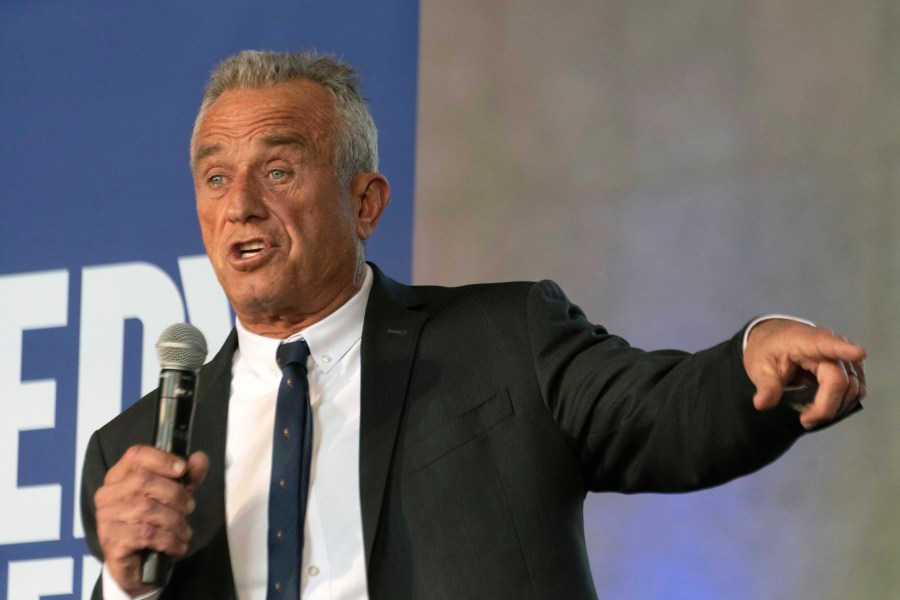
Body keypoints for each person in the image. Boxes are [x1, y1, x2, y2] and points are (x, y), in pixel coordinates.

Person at [80, 50, 867, 600]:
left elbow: (660, 413)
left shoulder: (502, 340)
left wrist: (749, 362)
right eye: (216, 177)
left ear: (366, 202)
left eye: (279, 170)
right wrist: (124, 585)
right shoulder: (136, 452)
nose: (241, 203)